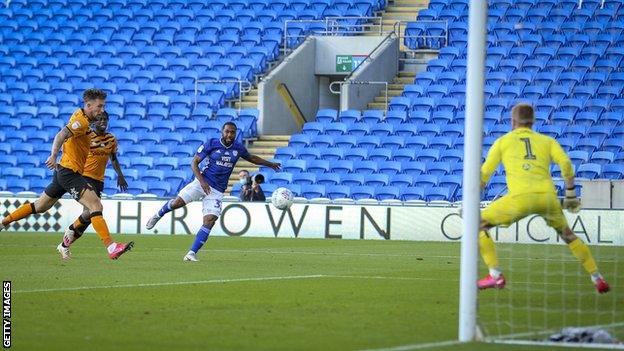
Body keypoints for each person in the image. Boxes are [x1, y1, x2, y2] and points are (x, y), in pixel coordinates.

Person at [477, 103, 609, 293]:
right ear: (533, 121)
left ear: (512, 121)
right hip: (548, 198)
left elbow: (484, 175)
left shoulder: (502, 142)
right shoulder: (547, 141)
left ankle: (495, 275)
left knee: (478, 224)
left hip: (520, 198)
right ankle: (597, 278)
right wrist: (570, 193)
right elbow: (565, 163)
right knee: (568, 235)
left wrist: (472, 197)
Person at [0, 89, 133, 260]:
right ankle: (111, 246)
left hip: (64, 172)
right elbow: (61, 134)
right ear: (89, 105)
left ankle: (4, 222)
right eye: (99, 106)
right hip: (69, 172)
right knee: (96, 207)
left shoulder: (83, 118)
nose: (102, 110)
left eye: (103, 106)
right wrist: (53, 155)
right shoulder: (81, 121)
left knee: (40, 206)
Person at [145, 122, 280, 261]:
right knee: (177, 203)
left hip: (217, 190)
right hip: (201, 182)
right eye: (227, 131)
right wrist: (203, 182)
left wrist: (270, 164)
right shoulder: (211, 144)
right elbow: (194, 163)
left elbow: (252, 158)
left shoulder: (238, 148)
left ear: (236, 133)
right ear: (222, 132)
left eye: (232, 132)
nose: (229, 134)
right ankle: (157, 215)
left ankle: (191, 253)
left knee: (210, 220)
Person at [56, 111, 129, 260]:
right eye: (100, 119)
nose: (103, 121)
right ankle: (110, 246)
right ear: (94, 122)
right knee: (92, 210)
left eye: (105, 119)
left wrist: (120, 175)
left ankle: (65, 242)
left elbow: (113, 158)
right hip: (84, 176)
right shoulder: (87, 136)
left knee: (89, 215)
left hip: (99, 180)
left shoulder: (111, 139)